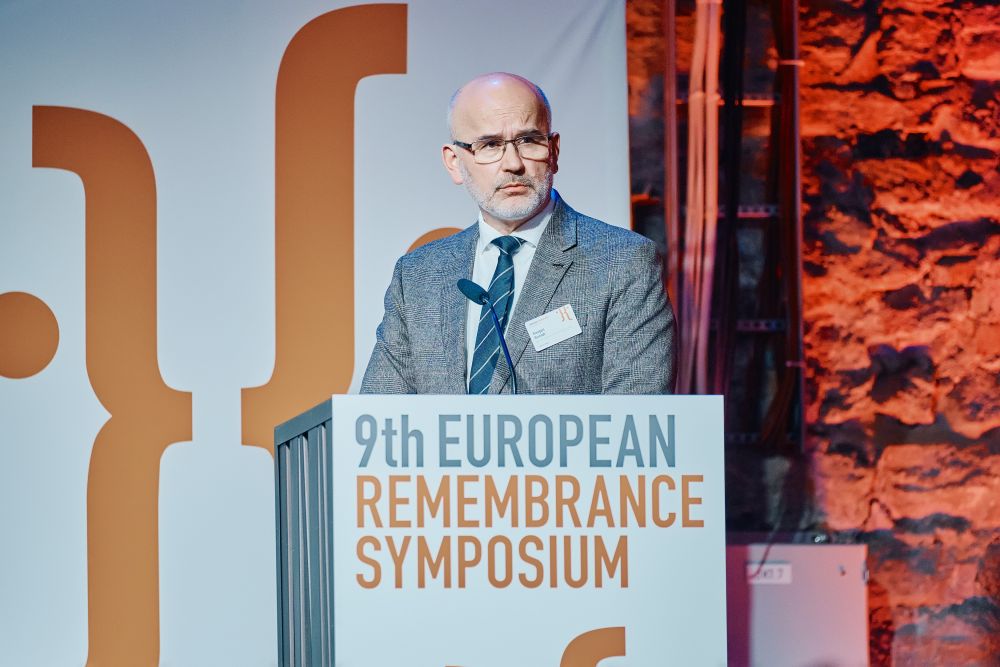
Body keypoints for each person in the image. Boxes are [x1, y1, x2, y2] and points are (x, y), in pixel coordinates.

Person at [360, 72, 675, 394]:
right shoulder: (418, 275)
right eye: (490, 145)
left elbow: (637, 414)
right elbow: (379, 414)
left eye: (528, 141)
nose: (513, 164)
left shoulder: (622, 262)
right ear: (454, 162)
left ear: (553, 150)